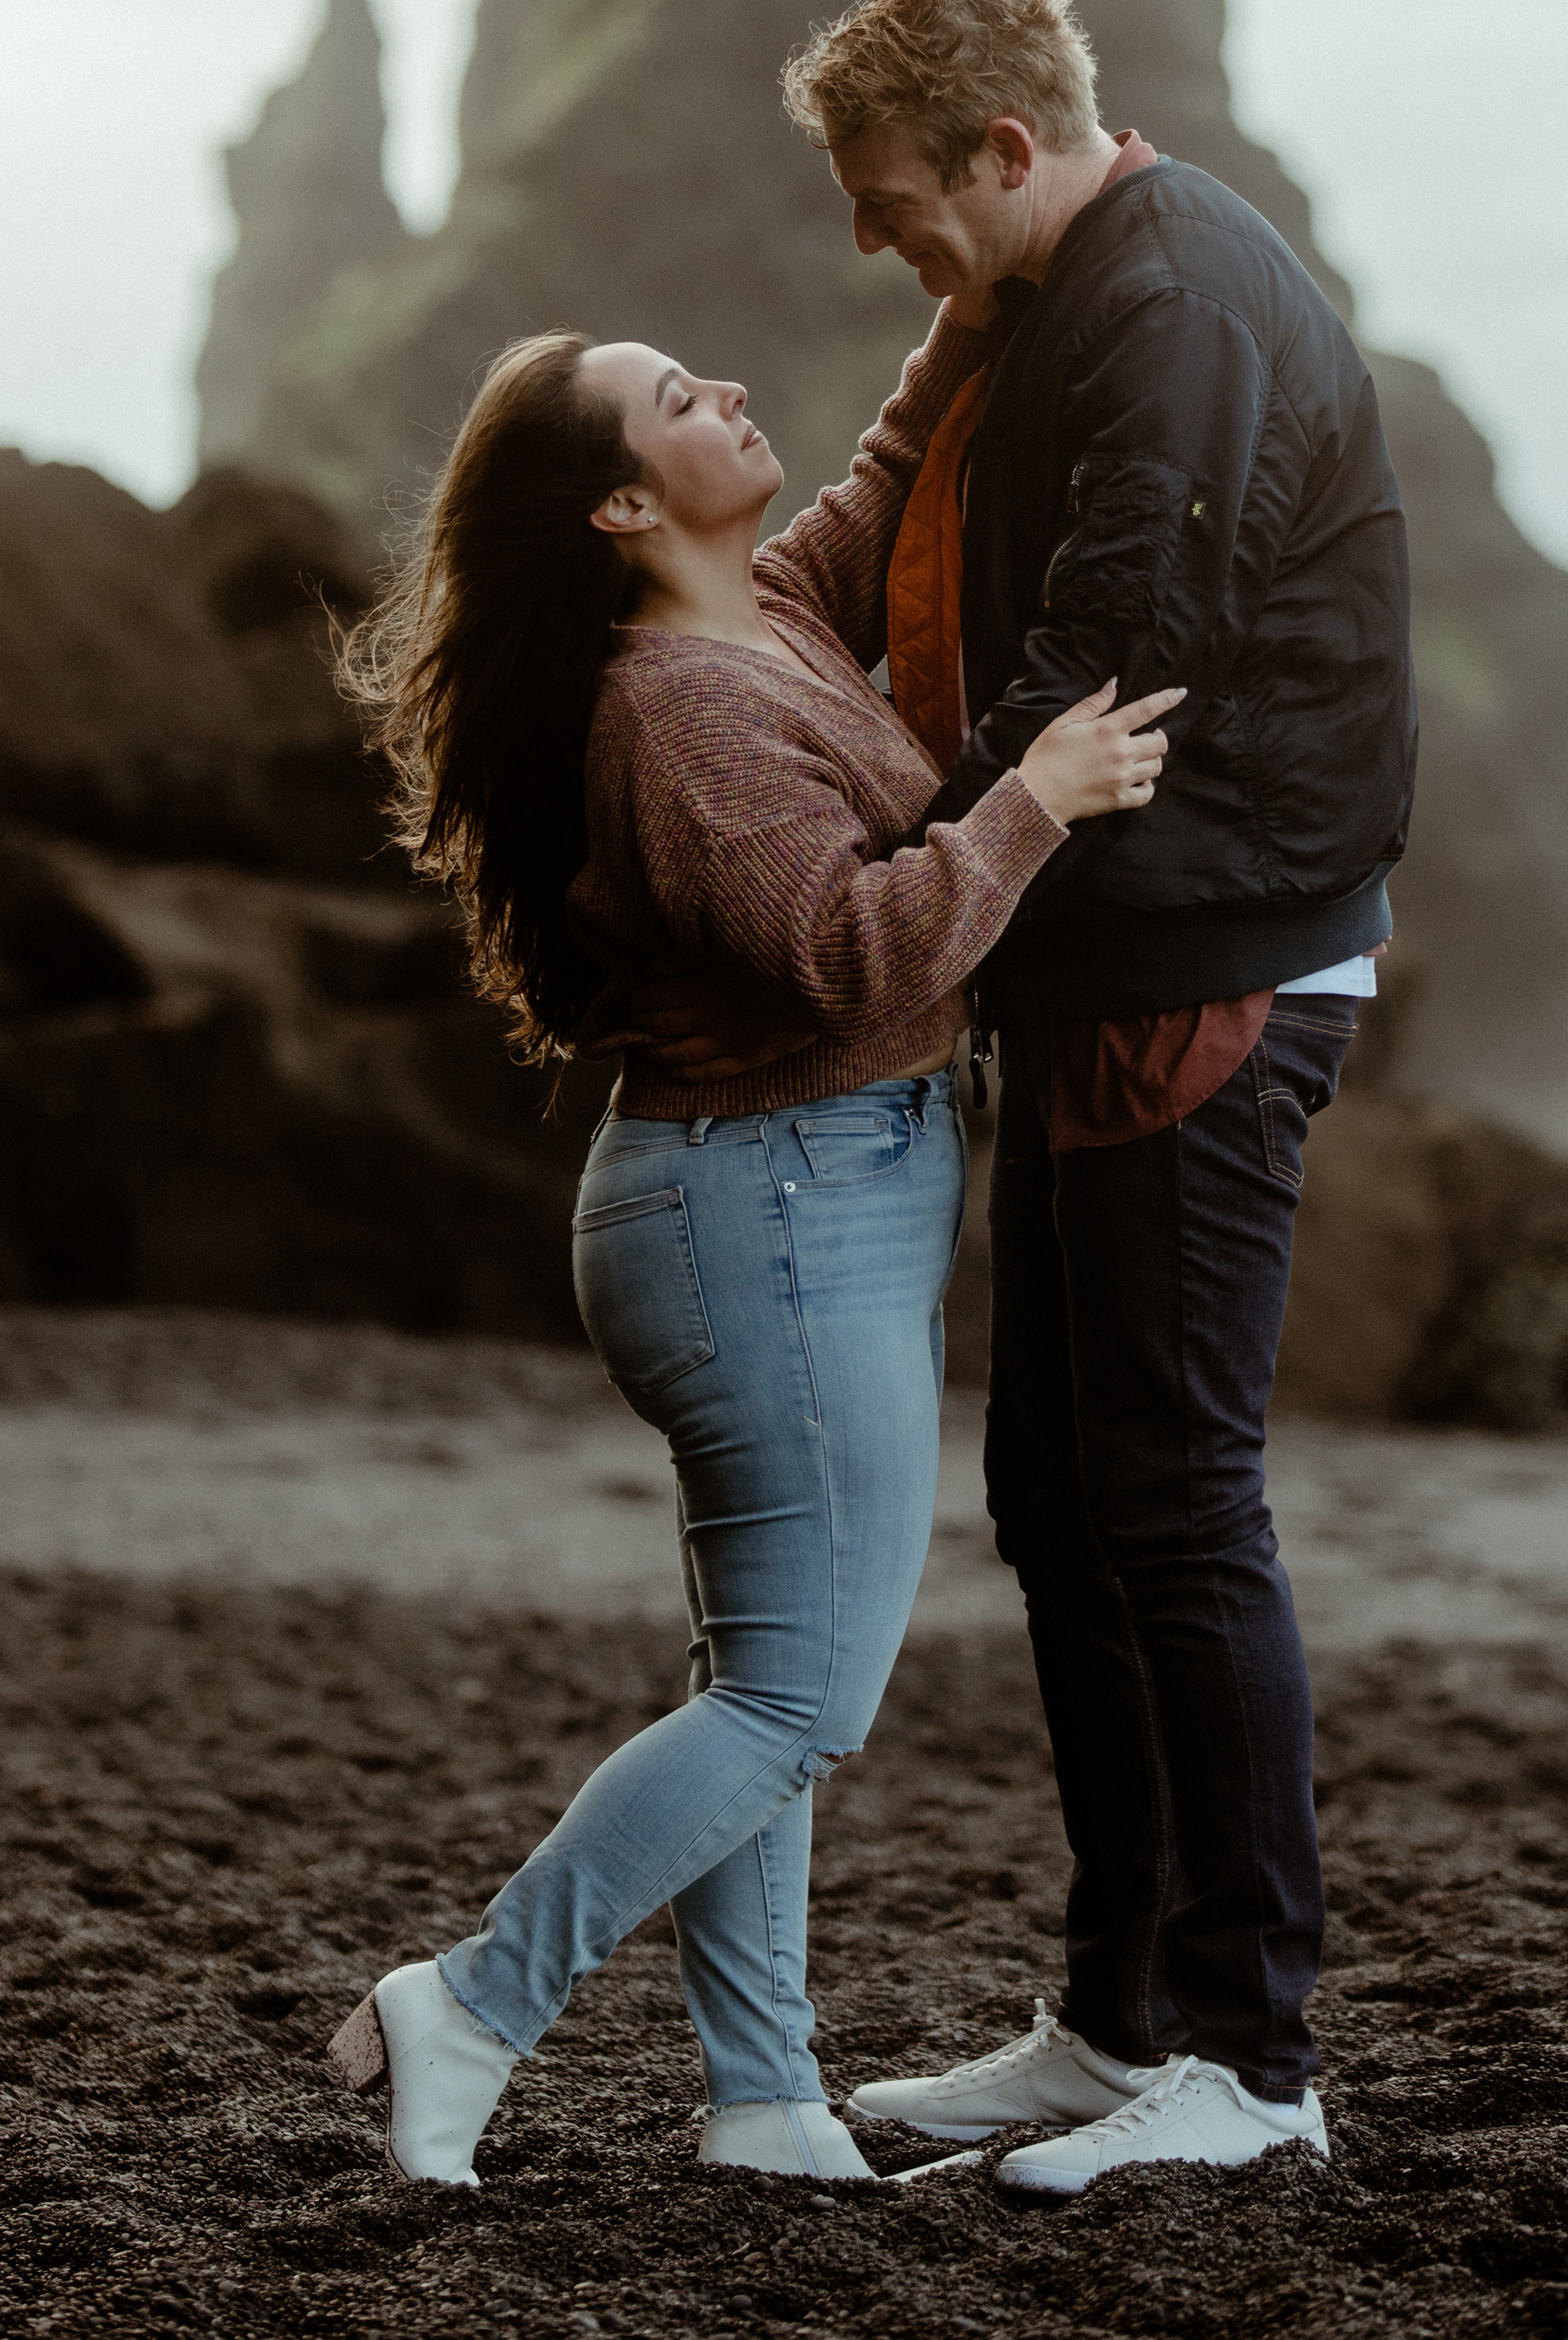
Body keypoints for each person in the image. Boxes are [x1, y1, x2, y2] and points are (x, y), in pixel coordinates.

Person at [643, 0, 1416, 2196]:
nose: (871, 245)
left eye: (891, 201)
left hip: (1211, 970)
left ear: (999, 145)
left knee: (1171, 1501)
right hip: (1102, 961)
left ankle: (1251, 2062)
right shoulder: (1045, 291)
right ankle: (1114, 2024)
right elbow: (909, 515)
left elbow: (1114, 650)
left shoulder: (1172, 304)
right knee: (1065, 1506)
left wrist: (879, 883)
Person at [324, 284, 1183, 2187]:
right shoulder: (681, 707)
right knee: (800, 1697)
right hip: (770, 1211)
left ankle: (768, 2096)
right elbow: (848, 955)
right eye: (669, 397)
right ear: (623, 507)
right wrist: (1032, 802)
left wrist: (978, 297)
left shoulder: (763, 611)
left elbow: (885, 471)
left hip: (785, 1200)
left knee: (764, 1680)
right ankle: (471, 2003)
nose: (718, 382)